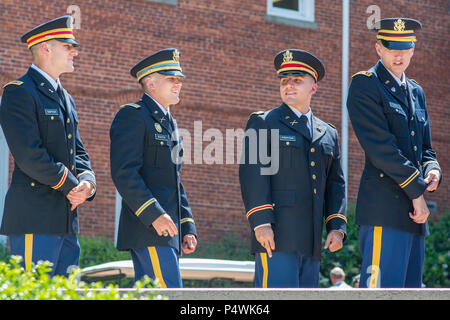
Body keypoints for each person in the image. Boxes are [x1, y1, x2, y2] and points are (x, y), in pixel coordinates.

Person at [239, 49, 347, 288]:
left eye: (297, 81)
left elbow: (335, 184)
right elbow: (253, 174)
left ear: (313, 87)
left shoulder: (328, 133)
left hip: (312, 240)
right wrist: (261, 222)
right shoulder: (264, 122)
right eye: (284, 81)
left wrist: (336, 226)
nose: (289, 86)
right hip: (276, 236)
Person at [346, 18, 442, 288]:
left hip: (414, 217)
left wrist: (432, 169)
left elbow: (425, 148)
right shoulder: (365, 85)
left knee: (411, 292)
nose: (398, 55)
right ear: (379, 49)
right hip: (384, 211)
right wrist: (417, 194)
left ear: (413, 49)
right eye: (391, 48)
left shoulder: (416, 92)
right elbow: (381, 149)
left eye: (405, 47)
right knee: (379, 292)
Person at [0, 16, 96, 276]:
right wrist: (71, 185)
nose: (74, 51)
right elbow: (29, 155)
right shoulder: (19, 91)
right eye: (67, 46)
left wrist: (87, 183)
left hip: (65, 221)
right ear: (45, 48)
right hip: (34, 217)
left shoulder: (66, 97)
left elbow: (79, 152)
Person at [110, 48, 197, 288]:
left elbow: (173, 181)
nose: (178, 84)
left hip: (167, 231)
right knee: (169, 294)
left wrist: (186, 225)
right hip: (148, 227)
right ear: (150, 82)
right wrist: (154, 214)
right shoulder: (133, 115)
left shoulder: (170, 123)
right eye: (171, 79)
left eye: (179, 80)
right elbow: (124, 173)